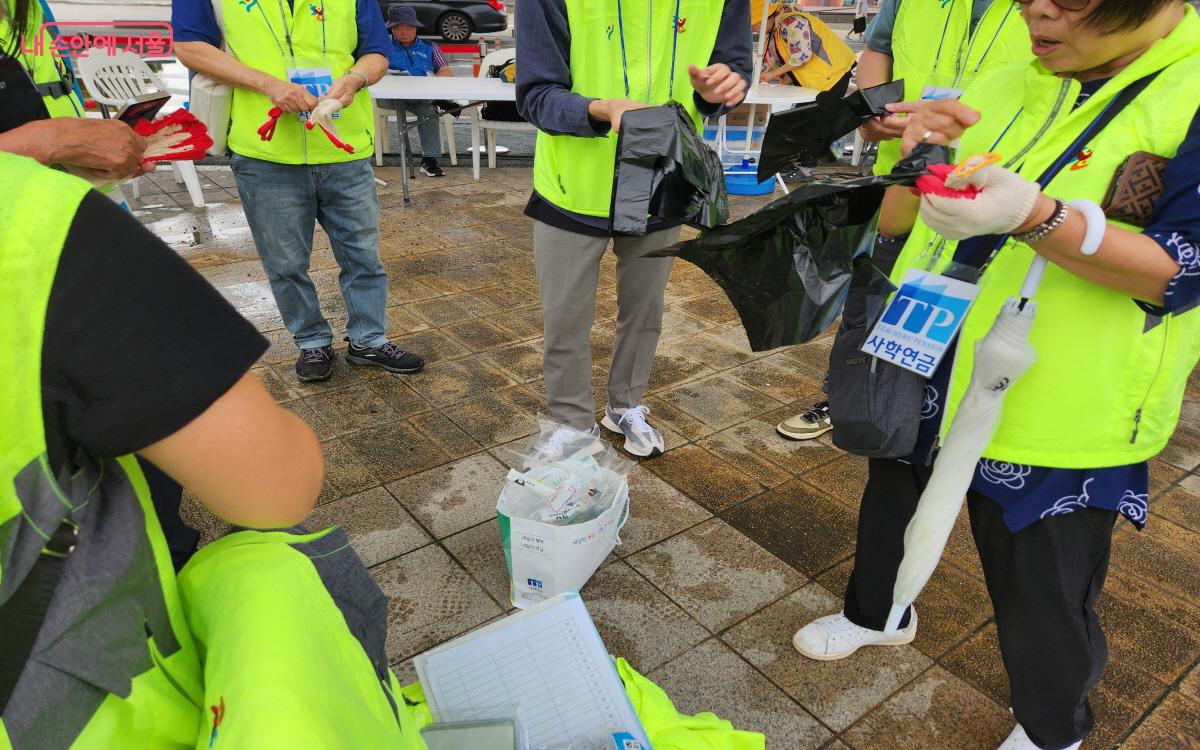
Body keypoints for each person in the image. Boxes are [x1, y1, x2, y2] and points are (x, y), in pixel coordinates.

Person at [791, 3, 1200, 750]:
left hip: (1062, 389)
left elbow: (1179, 272)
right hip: (933, 343)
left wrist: (1036, 217)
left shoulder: (1190, 92)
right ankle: (876, 614)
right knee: (892, 494)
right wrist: (921, 165)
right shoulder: (1013, 75)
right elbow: (903, 217)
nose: (1038, 9)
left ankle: (1052, 729)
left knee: (1042, 573)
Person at [0, 152, 427, 747]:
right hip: (83, 705)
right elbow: (275, 489)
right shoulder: (32, 215)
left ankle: (364, 341)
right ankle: (313, 344)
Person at [777, 0, 1032, 440]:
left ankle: (950, 418)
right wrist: (872, 110)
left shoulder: (1048, 12)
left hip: (999, 190)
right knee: (875, 301)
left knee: (973, 319)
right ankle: (851, 401)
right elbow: (879, 47)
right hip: (904, 180)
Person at [516, 0, 752, 459]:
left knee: (644, 312)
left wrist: (723, 87)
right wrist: (602, 109)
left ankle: (625, 406)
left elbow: (733, 72)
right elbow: (535, 95)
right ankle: (571, 422)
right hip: (573, 185)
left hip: (663, 180)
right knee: (565, 317)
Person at [173, 0, 425, 383]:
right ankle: (311, 342)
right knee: (286, 263)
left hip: (344, 147)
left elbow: (375, 52)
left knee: (363, 257)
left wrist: (355, 78)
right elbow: (189, 47)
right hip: (265, 153)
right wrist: (269, 84)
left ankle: (368, 339)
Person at [381, 4, 452, 178]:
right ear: (391, 28)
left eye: (409, 27)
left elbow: (445, 70)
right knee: (431, 107)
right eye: (398, 27)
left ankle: (429, 160)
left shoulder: (430, 47)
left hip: (420, 98)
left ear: (416, 27)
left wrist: (433, 83)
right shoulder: (382, 47)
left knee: (429, 110)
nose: (404, 32)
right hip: (388, 96)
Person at [757, 1, 856, 100]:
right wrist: (757, 76)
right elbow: (769, 61)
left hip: (833, 75)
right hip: (815, 80)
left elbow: (801, 56)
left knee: (818, 113)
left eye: (750, 24)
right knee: (804, 113)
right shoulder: (772, 30)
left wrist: (772, 74)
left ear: (760, 21)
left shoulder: (792, 22)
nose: (751, 29)